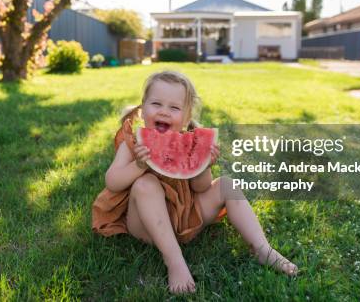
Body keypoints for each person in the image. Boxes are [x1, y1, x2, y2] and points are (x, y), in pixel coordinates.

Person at [92, 70, 298, 294]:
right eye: (156, 103)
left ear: (187, 116)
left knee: (226, 184)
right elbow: (112, 182)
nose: (164, 111)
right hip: (145, 226)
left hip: (187, 219)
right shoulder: (132, 142)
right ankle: (174, 261)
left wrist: (204, 165)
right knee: (145, 184)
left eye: (174, 107)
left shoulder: (190, 142)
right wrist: (139, 166)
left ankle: (262, 248)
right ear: (143, 108)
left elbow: (201, 188)